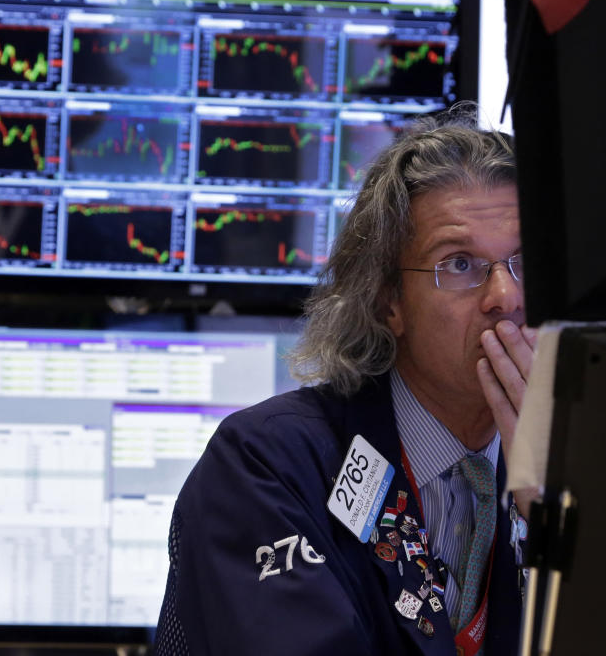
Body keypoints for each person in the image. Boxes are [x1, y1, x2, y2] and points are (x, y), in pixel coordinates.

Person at [154, 110, 536, 656]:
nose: (506, 296)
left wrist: (547, 520)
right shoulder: (268, 466)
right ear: (387, 301)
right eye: (458, 264)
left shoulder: (573, 474)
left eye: (526, 261)